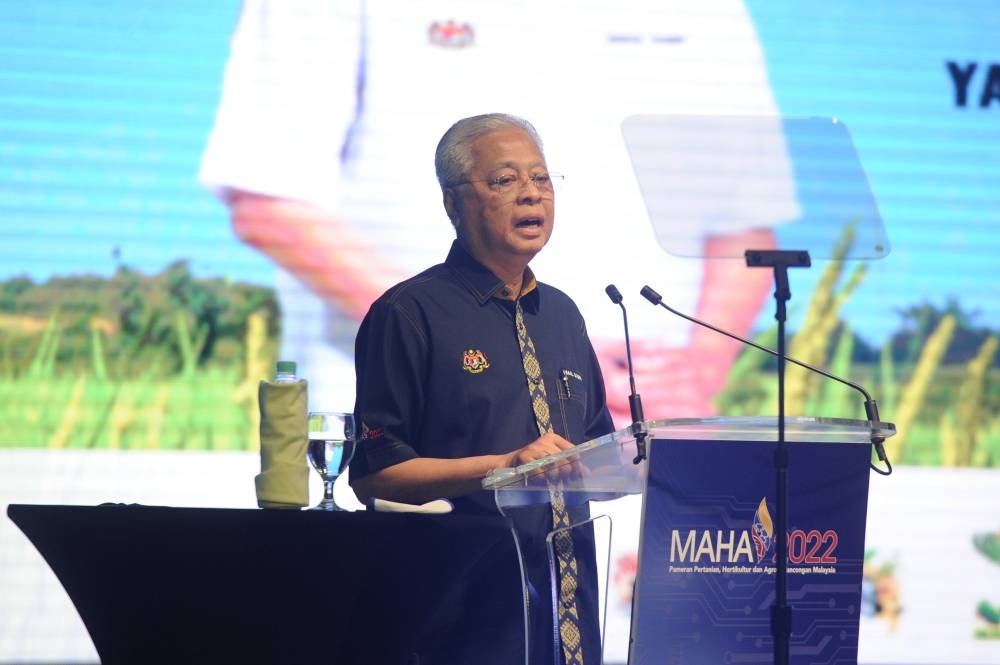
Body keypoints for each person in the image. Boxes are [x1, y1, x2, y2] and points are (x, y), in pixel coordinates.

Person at [200, 0, 799, 422]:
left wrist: (696, 375)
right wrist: (489, 349)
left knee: (603, 602)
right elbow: (268, 197)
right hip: (426, 405)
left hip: (636, 420)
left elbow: (741, 226)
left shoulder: (711, 10)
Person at [349, 113, 615, 665]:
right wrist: (505, 465)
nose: (530, 196)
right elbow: (375, 475)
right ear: (453, 203)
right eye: (505, 181)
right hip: (461, 621)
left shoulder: (564, 314)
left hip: (570, 614)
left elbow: (599, 452)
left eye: (541, 180)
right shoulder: (409, 313)